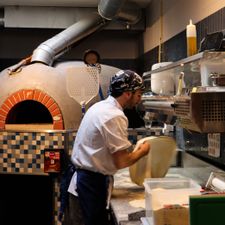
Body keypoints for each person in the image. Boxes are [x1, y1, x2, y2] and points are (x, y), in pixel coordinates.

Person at [68, 69, 150, 225]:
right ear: (127, 93)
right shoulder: (114, 115)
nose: (139, 99)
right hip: (91, 184)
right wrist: (142, 151)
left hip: (84, 179)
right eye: (138, 94)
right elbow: (122, 162)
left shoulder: (99, 107)